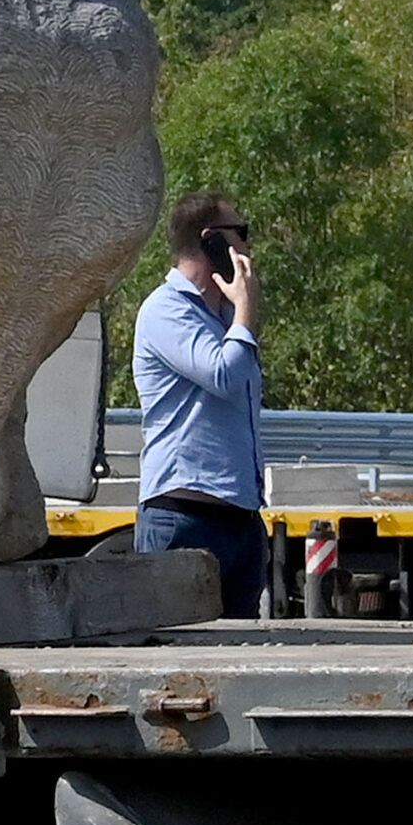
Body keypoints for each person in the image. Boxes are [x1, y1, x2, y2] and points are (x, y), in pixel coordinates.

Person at [131, 190, 266, 618]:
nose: (248, 247)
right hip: (183, 519)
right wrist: (245, 308)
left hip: (241, 522)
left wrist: (236, 313)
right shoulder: (165, 311)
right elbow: (222, 375)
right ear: (212, 241)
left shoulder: (224, 317)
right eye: (241, 234)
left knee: (238, 665)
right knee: (177, 655)